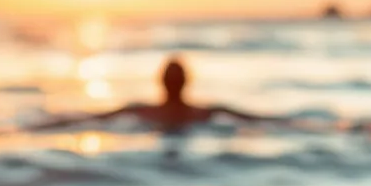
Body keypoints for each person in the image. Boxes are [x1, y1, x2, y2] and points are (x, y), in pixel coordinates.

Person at [31, 57, 278, 134]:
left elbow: (91, 119)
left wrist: (43, 125)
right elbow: (259, 121)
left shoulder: (141, 111)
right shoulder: (207, 113)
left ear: (160, 81)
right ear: (188, 81)